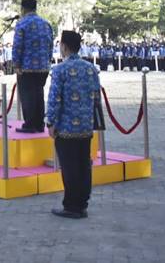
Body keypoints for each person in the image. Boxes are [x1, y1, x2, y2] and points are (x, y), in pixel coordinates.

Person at [46, 30, 100, 219]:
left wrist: (50, 121)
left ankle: (71, 205)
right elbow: (97, 97)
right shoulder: (91, 68)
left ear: (64, 46)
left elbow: (54, 98)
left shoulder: (59, 70)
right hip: (85, 126)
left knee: (69, 167)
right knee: (84, 165)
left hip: (66, 127)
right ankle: (82, 203)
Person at [12, 0, 54, 134]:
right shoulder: (46, 24)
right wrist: (48, 61)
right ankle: (39, 124)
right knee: (39, 94)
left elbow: (18, 45)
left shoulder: (22, 24)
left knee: (28, 95)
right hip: (43, 66)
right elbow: (50, 45)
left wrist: (16, 64)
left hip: (27, 66)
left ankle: (29, 124)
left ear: (23, 9)